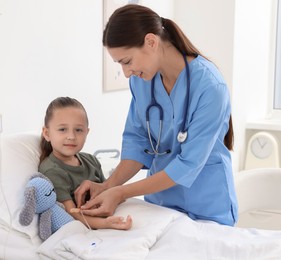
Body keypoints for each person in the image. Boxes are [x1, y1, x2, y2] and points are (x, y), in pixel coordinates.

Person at [74, 4, 238, 226]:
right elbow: (138, 143)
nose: (126, 73)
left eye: (127, 61)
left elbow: (188, 164)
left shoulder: (210, 86)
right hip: (160, 205)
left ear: (151, 42)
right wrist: (107, 186)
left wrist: (121, 193)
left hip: (206, 207)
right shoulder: (141, 82)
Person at [38, 96, 132, 230]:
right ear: (47, 133)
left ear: (87, 133)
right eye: (62, 129)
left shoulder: (91, 160)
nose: (71, 136)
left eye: (78, 130)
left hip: (111, 215)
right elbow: (71, 213)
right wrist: (106, 224)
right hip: (91, 228)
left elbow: (108, 192)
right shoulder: (52, 170)